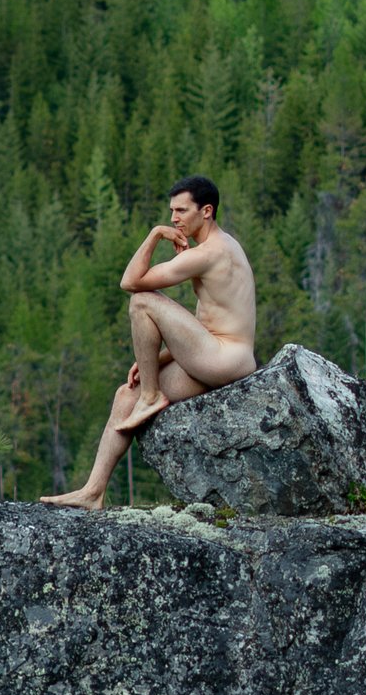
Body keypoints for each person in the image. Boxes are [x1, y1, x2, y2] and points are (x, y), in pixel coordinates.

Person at [42, 175, 257, 510]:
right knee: (126, 395)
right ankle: (93, 492)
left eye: (181, 210)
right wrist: (154, 361)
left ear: (207, 211)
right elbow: (208, 325)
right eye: (171, 211)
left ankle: (152, 396)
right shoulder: (220, 247)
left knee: (141, 302)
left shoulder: (210, 252)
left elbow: (131, 282)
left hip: (224, 358)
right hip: (218, 355)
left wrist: (155, 234)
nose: (174, 218)